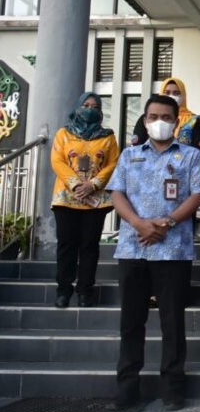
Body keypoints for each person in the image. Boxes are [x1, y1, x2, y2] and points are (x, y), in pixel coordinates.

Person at [106, 95, 200, 411]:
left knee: (173, 323)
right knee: (131, 322)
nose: (159, 121)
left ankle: (173, 388)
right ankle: (127, 388)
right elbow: (116, 193)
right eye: (153, 116)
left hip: (174, 250)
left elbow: (198, 195)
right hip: (133, 248)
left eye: (166, 116)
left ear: (176, 121)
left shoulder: (190, 156)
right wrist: (139, 224)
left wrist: (166, 223)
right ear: (146, 119)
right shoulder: (129, 155)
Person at [131, 76, 200, 309]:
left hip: (182, 193)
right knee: (148, 243)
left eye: (177, 91)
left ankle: (177, 290)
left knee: (179, 242)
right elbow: (136, 149)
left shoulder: (193, 121)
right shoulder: (144, 122)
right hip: (145, 196)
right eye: (169, 90)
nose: (173, 94)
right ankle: (151, 291)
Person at [50, 92, 119, 308]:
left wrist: (93, 184)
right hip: (66, 197)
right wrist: (75, 183)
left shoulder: (108, 137)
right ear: (78, 107)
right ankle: (63, 290)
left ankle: (85, 291)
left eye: (95, 106)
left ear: (100, 111)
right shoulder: (63, 133)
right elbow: (57, 160)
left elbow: (113, 163)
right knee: (66, 245)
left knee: (89, 246)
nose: (90, 109)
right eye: (86, 105)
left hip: (95, 200)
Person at [130, 77, 200, 154]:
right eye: (167, 92)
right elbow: (136, 148)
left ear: (183, 95)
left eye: (176, 93)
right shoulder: (148, 118)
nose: (171, 96)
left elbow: (199, 152)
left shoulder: (193, 120)